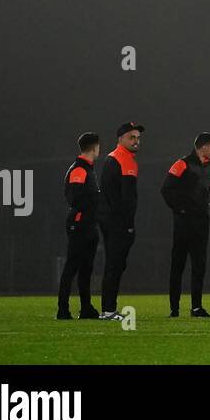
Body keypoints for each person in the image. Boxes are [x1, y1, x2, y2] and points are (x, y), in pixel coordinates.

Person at [161, 132, 210, 318]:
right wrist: (180, 209)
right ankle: (174, 309)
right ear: (203, 147)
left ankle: (196, 308)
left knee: (199, 266)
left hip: (202, 222)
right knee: (178, 265)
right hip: (183, 222)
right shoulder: (182, 164)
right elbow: (166, 189)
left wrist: (206, 206)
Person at [98, 122, 143, 320]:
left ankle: (109, 309)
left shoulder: (127, 160)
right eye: (131, 137)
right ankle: (108, 310)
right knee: (114, 265)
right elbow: (115, 198)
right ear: (120, 139)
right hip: (117, 223)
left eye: (137, 138)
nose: (136, 141)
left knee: (117, 265)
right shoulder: (115, 160)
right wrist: (123, 224)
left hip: (120, 223)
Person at [56, 132, 102, 320]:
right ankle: (62, 309)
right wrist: (94, 201)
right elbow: (76, 197)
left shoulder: (87, 169)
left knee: (86, 268)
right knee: (72, 266)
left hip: (89, 224)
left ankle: (85, 308)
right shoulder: (79, 169)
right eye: (98, 146)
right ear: (94, 148)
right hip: (80, 223)